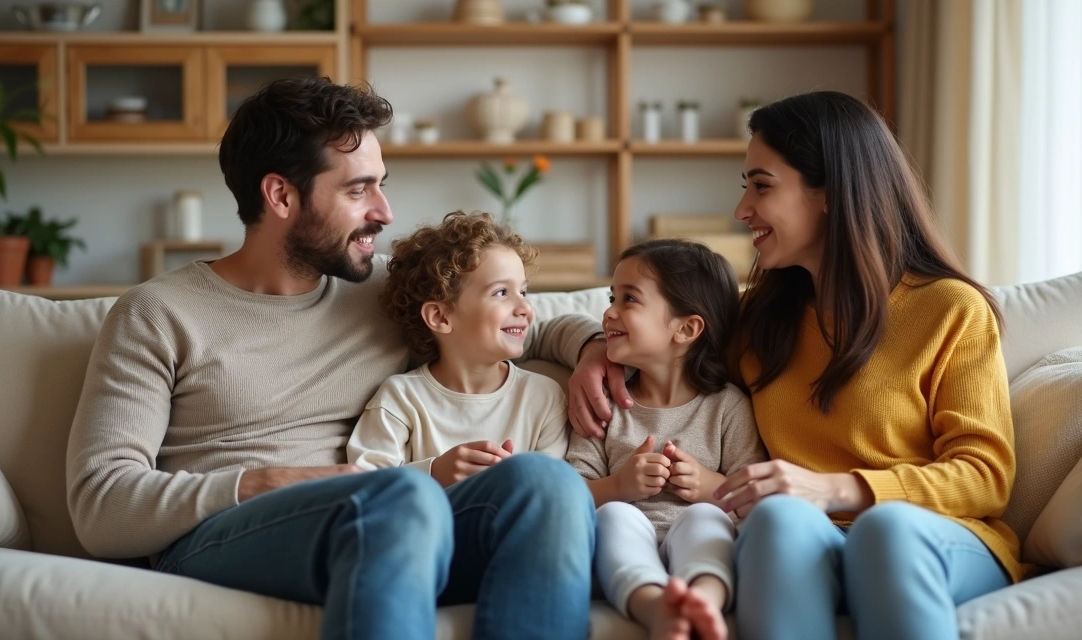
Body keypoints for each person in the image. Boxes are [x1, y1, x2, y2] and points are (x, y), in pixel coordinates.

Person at [65, 77, 611, 640]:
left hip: (386, 524)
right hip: (225, 537)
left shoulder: (378, 291)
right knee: (402, 495)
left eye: (382, 185)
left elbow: (519, 324)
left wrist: (593, 349)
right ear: (281, 196)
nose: (385, 211)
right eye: (358, 190)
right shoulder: (158, 313)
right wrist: (264, 482)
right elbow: (100, 506)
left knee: (548, 485)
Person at [707, 91, 1022, 640]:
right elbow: (655, 335)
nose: (742, 210)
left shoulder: (950, 309)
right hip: (812, 543)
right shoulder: (759, 318)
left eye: (762, 186)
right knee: (778, 519)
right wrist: (594, 355)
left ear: (829, 190)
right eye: (744, 188)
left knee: (887, 528)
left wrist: (835, 489)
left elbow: (985, 477)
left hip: (932, 536)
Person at [567, 239, 766, 640]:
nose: (608, 312)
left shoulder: (728, 407)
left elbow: (757, 504)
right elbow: (569, 495)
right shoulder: (604, 405)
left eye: (629, 299)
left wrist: (712, 488)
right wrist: (618, 486)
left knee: (705, 517)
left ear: (687, 328)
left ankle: (704, 601)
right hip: (620, 554)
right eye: (612, 297)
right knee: (615, 516)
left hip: (702, 543)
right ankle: (654, 606)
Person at [347, 211, 571, 477]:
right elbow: (365, 484)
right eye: (501, 292)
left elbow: (556, 492)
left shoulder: (544, 397)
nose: (524, 307)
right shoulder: (401, 398)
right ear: (440, 316)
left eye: (523, 291)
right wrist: (435, 472)